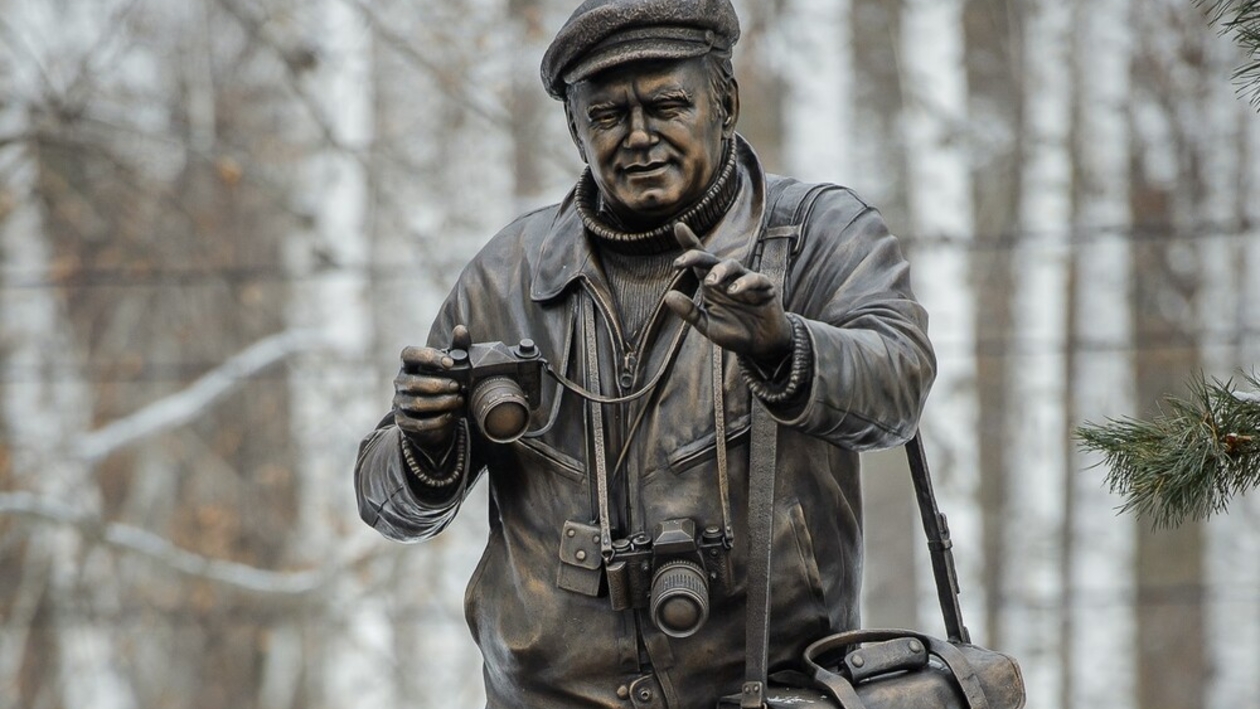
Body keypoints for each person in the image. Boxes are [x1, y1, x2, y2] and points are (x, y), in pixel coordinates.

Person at [354, 0, 935, 706]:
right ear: (575, 129)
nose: (638, 137)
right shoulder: (510, 272)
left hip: (764, 690)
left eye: (667, 105)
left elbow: (900, 384)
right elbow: (387, 504)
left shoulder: (815, 236)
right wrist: (423, 444)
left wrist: (785, 347)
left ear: (726, 103)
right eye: (606, 116)